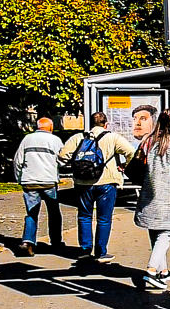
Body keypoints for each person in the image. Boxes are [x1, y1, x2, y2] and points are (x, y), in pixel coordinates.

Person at [58, 111, 135, 262]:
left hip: (82, 183)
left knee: (84, 216)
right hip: (106, 182)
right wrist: (124, 166)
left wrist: (75, 165)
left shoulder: (79, 137)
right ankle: (101, 252)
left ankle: (85, 249)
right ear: (106, 124)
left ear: (91, 124)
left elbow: (62, 156)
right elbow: (131, 152)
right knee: (104, 219)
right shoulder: (112, 137)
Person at [135, 108, 170, 289]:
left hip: (149, 195)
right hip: (167, 197)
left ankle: (163, 271)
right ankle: (151, 271)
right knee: (165, 235)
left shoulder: (149, 141)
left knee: (155, 234)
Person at [13, 117, 64, 256]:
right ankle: (56, 241)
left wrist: (19, 178)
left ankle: (27, 242)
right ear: (51, 127)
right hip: (48, 181)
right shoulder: (55, 140)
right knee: (54, 212)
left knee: (31, 212)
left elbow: (18, 161)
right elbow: (62, 160)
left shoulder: (27, 139)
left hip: (29, 181)